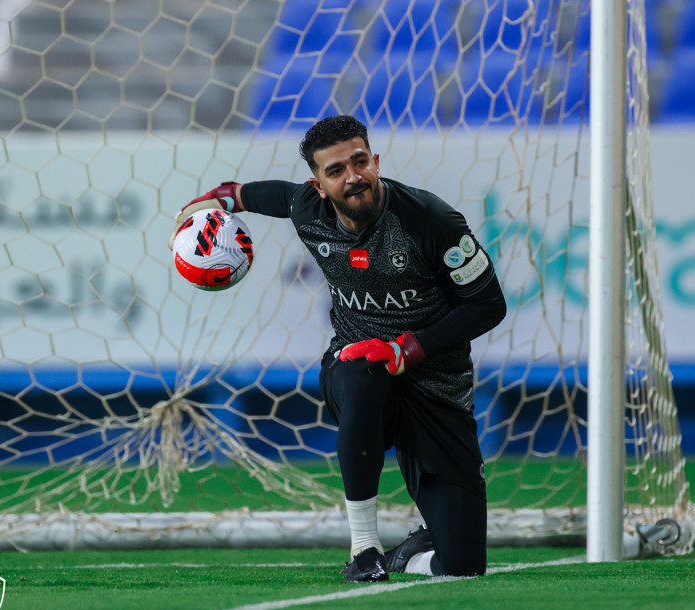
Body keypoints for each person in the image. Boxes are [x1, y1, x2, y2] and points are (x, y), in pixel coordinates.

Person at [170, 115, 506, 582]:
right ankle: (365, 548)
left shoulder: (432, 221)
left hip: (436, 386)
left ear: (375, 161)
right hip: (357, 373)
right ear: (320, 184)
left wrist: (409, 349)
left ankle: (404, 556)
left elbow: (489, 306)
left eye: (360, 161)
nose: (353, 177)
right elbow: (272, 196)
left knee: (464, 566)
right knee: (361, 366)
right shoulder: (309, 209)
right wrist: (224, 197)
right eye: (336, 171)